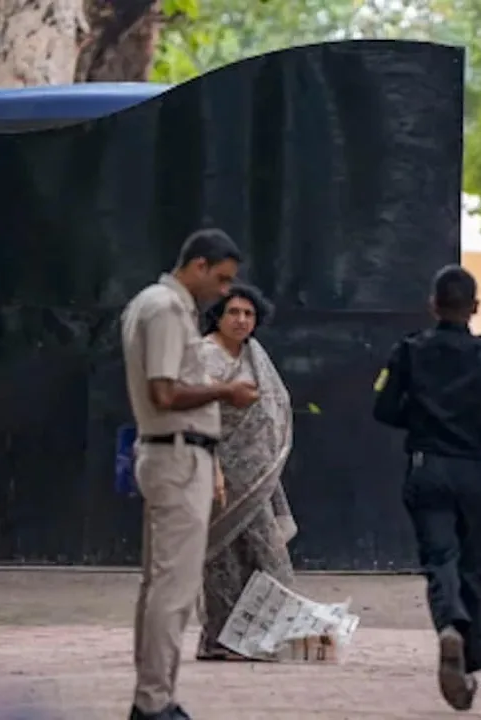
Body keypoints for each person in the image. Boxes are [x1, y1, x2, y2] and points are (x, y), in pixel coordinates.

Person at [372, 264, 481, 711]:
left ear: (433, 306)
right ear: (475, 308)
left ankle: (449, 627)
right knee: (470, 567)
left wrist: (421, 421)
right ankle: (471, 658)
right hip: (476, 472)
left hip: (428, 467)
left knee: (439, 558)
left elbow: (383, 408)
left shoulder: (408, 351)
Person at [120, 228, 259, 720]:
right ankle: (153, 701)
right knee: (173, 589)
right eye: (221, 280)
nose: (224, 293)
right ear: (198, 265)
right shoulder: (165, 309)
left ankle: (153, 695)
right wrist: (224, 392)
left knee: (161, 584)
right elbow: (164, 391)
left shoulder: (153, 304)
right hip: (177, 454)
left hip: (174, 454)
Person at [195, 284, 296, 661]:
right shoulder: (204, 356)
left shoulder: (256, 356)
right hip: (215, 470)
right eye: (233, 312)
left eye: (248, 314)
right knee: (224, 558)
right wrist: (214, 468)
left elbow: (276, 407)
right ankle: (220, 639)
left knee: (264, 553)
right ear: (218, 316)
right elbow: (199, 416)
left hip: (255, 477)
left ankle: (253, 638)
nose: (240, 320)